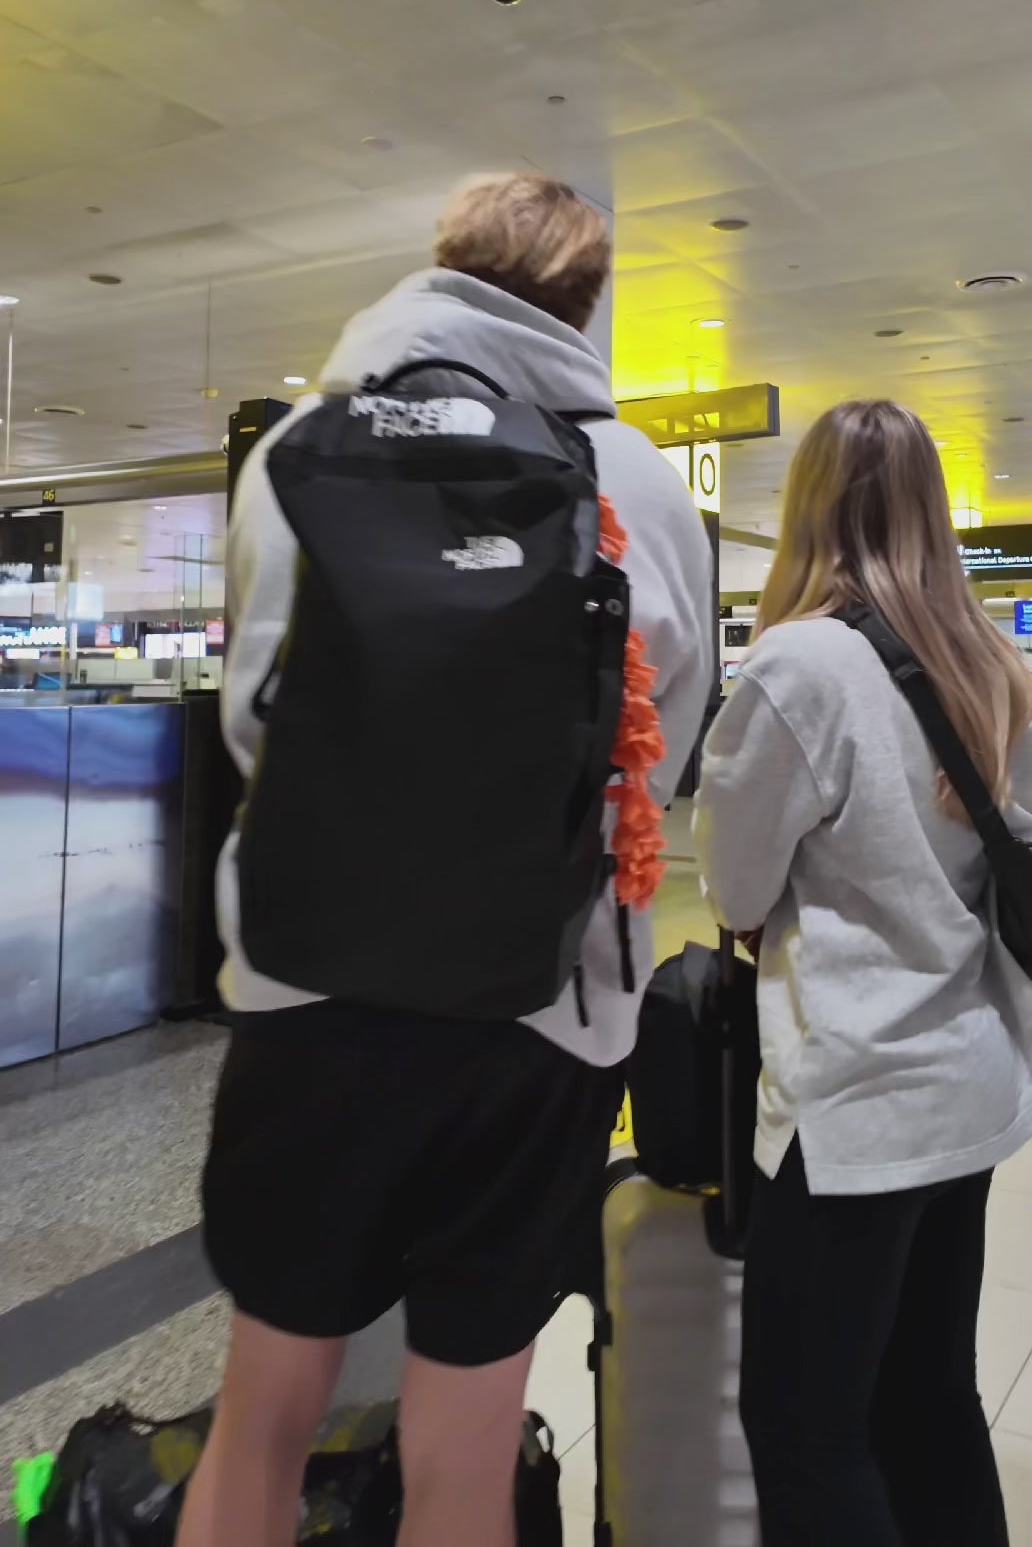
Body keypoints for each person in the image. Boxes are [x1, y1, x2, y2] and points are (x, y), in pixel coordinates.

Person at [178, 172, 715, 1547]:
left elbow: (253, 712)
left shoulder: (301, 444)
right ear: (590, 307)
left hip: (312, 993)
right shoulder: (637, 477)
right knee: (465, 1430)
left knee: (266, 1404)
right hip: (543, 1010)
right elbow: (668, 737)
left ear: (441, 266)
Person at [694, 400, 1032, 1547]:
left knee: (808, 1431)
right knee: (931, 1399)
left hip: (854, 1107)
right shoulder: (994, 661)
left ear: (814, 504)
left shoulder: (798, 666)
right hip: (970, 1081)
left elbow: (736, 890)